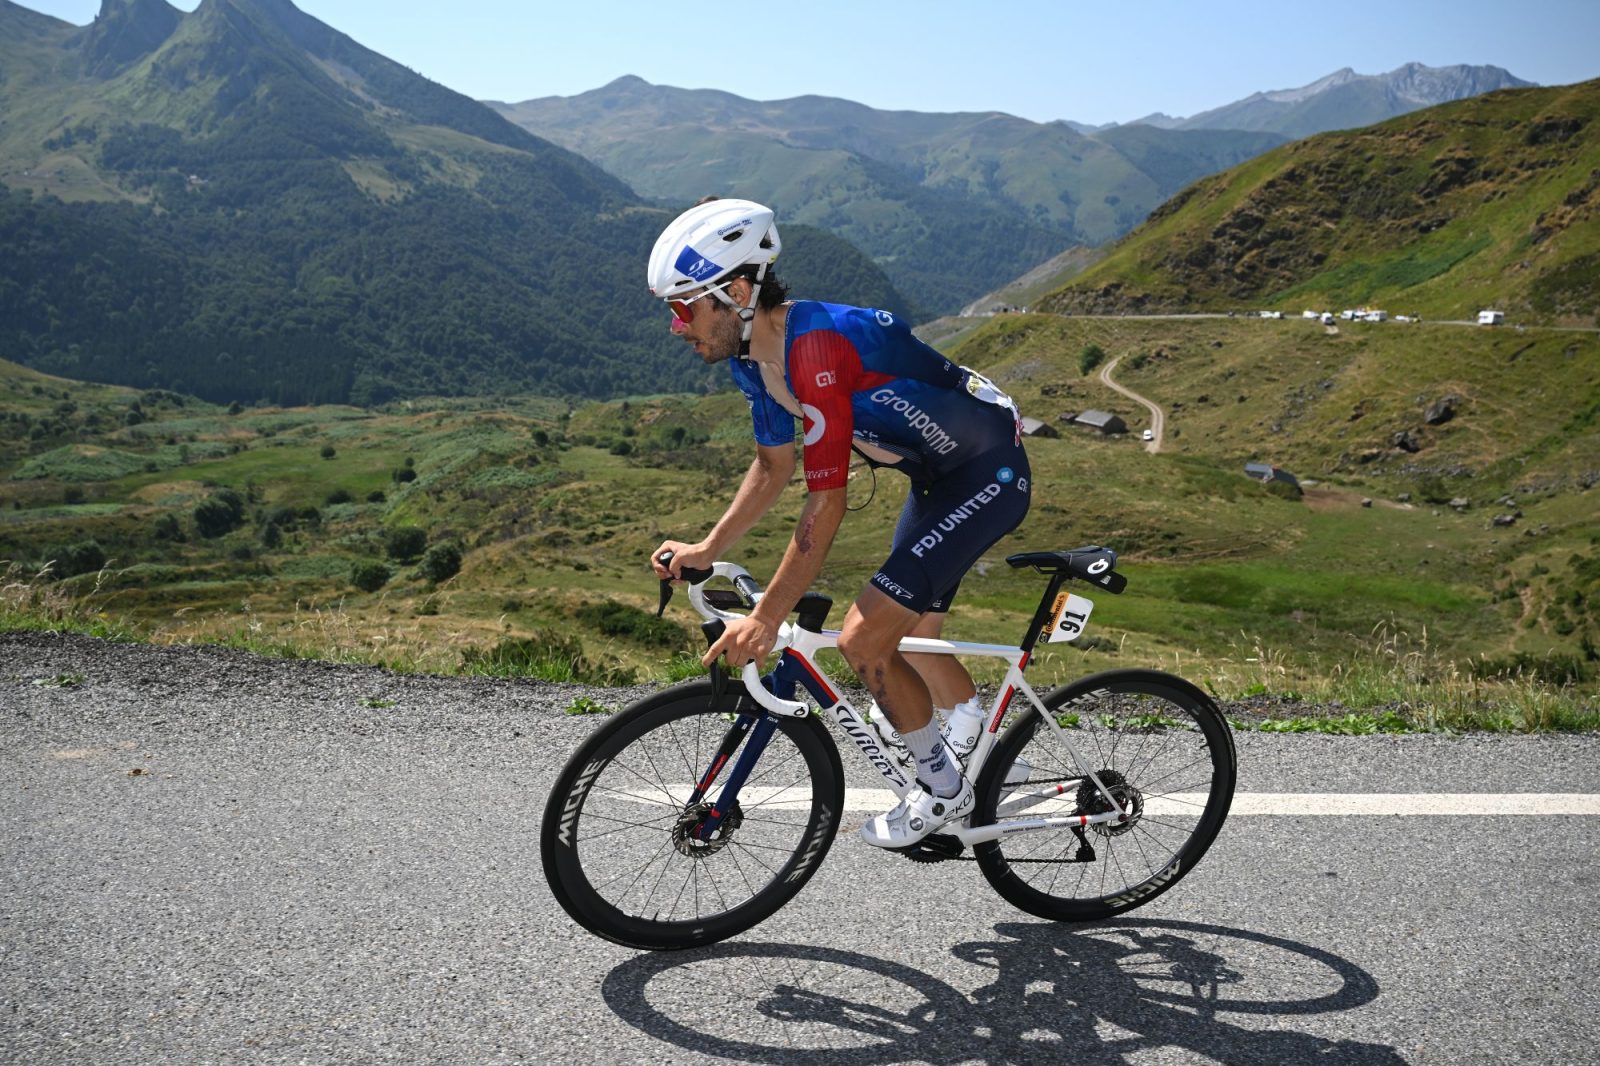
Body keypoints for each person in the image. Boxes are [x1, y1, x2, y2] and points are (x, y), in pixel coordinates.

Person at [647, 198, 1031, 848]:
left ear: (736, 293)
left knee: (863, 641)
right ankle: (973, 739)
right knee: (914, 642)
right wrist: (708, 548)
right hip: (937, 476)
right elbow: (773, 466)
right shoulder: (753, 358)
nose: (675, 327)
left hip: (986, 472)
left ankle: (944, 789)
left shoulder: (816, 350)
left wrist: (767, 617)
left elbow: (827, 502)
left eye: (684, 309)